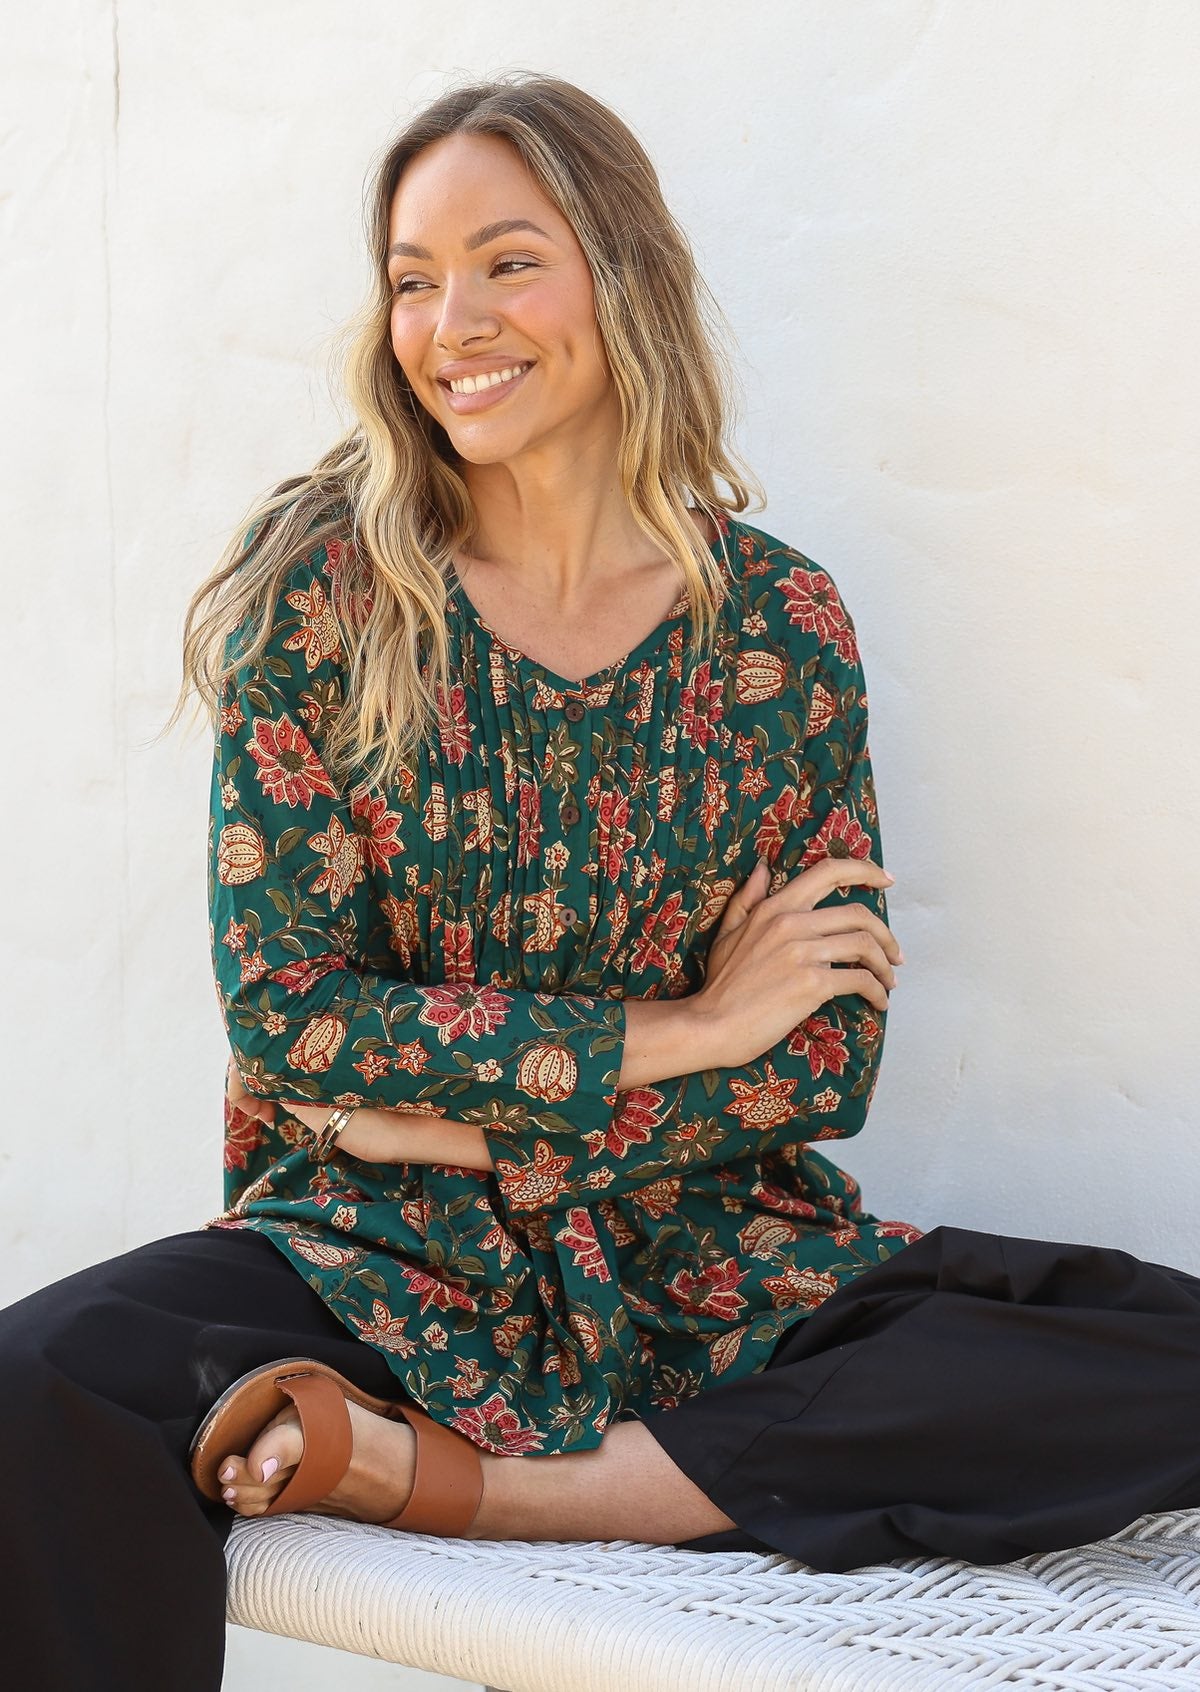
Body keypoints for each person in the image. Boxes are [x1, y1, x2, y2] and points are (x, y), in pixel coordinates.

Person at [6, 70, 1200, 1692]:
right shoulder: (327, 596)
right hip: (382, 1250)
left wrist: (448, 1104)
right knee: (40, 1386)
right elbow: (293, 1022)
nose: (453, 321)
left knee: (1165, 1352)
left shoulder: (777, 626)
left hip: (709, 1259)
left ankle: (493, 1494)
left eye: (508, 260)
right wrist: (690, 1032)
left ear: (617, 278)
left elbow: (827, 1059)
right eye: (414, 279)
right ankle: (472, 1449)